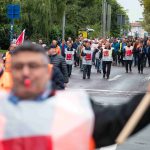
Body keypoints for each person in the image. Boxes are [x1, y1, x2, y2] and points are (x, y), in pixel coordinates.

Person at [0, 42, 149, 150]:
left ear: (47, 72)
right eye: (19, 66)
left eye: (33, 65)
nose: (26, 72)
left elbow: (119, 120)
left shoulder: (75, 109)